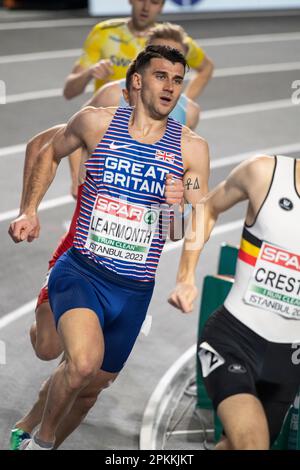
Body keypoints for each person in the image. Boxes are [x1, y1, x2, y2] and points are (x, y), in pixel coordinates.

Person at [9, 45, 209, 450]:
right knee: (81, 363)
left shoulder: (192, 150)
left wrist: (176, 209)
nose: (170, 86)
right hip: (82, 270)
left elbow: (182, 229)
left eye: (177, 79)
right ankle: (40, 441)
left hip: (133, 291)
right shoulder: (95, 123)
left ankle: (42, 438)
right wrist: (29, 209)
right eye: (160, 76)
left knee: (89, 391)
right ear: (136, 81)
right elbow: (47, 152)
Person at [169, 154, 300, 450]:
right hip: (234, 339)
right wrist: (185, 276)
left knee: (238, 445)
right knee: (252, 443)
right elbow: (207, 208)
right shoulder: (264, 173)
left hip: (289, 361)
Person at [63, 0, 213, 101]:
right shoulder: (104, 33)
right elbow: (69, 92)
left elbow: (206, 68)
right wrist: (89, 73)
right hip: (107, 121)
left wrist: (183, 104)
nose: (146, 8)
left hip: (148, 127)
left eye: (154, 2)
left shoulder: (173, 42)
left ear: (161, 6)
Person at [88, 23, 201, 130]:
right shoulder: (112, 94)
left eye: (175, 56)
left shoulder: (190, 112)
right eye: (158, 53)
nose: (166, 62)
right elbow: (77, 134)